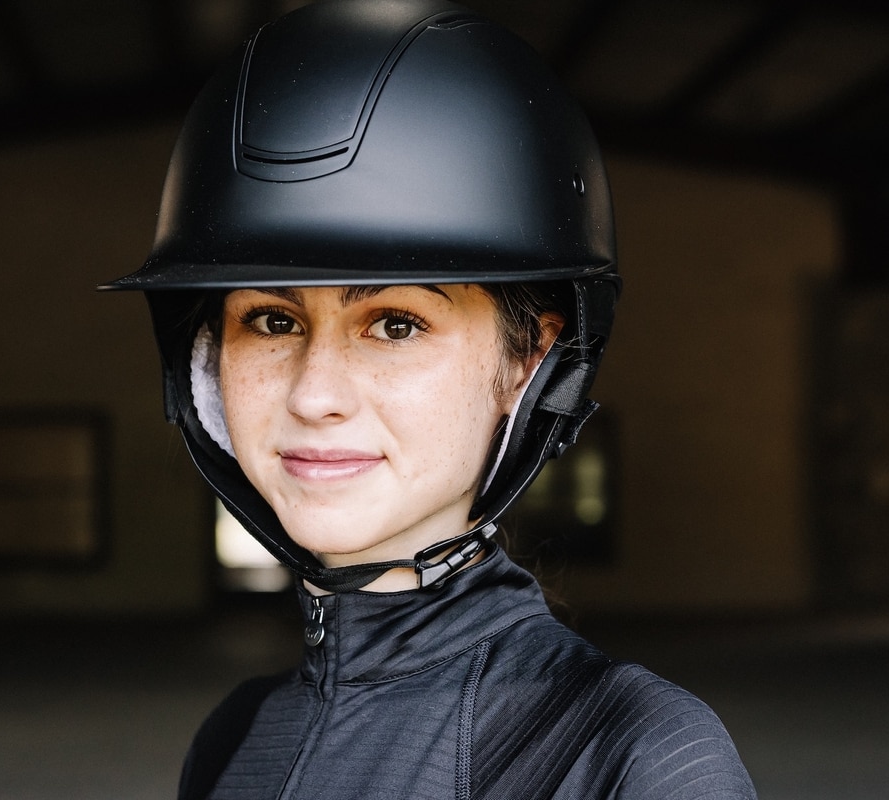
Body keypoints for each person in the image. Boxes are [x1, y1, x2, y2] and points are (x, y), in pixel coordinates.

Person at [101, 0, 757, 797]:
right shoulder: (235, 739)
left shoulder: (638, 757)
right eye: (273, 320)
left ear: (527, 363)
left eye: (396, 324)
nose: (315, 395)